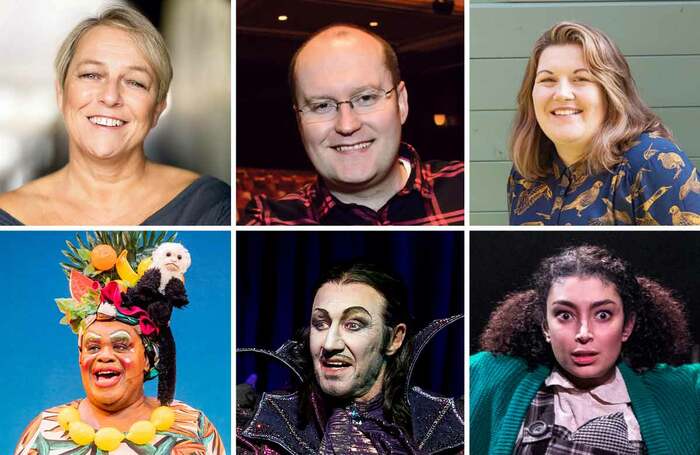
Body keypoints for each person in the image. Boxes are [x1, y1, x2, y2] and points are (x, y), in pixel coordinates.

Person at [0, 6, 230, 225]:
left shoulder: (211, 207)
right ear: (60, 92)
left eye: (135, 82)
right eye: (91, 75)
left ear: (158, 108)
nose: (110, 97)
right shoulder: (8, 215)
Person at [470, 245, 699, 454]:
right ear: (546, 327)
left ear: (627, 326)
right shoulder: (493, 376)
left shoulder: (681, 390)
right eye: (565, 315)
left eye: (602, 315)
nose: (583, 333)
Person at [15, 233, 225, 453]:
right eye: (93, 347)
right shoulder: (44, 430)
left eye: (121, 346)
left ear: (148, 358)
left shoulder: (193, 427)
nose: (104, 356)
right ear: (81, 358)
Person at [242, 24, 464, 225]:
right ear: (299, 120)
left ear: (402, 103)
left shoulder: (471, 189)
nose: (347, 125)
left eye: (365, 98)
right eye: (322, 106)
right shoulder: (268, 223)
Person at [237, 263, 464, 453]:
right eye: (321, 324)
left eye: (353, 325)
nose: (329, 344)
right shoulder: (262, 426)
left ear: (394, 338)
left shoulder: (449, 425)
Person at [508, 21, 700, 225]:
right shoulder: (525, 174)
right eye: (547, 80)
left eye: (581, 78)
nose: (562, 94)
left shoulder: (653, 164)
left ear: (611, 92)